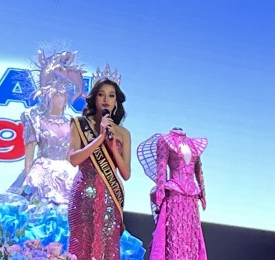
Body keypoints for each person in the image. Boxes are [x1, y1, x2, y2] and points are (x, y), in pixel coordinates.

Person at [0, 48, 85, 249]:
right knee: (34, 214)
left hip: (67, 173)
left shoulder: (72, 121)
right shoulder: (35, 118)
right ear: (48, 95)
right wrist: (26, 175)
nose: (62, 99)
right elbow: (29, 153)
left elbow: (72, 152)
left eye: (64, 95)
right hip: (42, 173)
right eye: (58, 94)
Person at [67, 64, 145, 260]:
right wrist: (99, 139)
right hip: (83, 195)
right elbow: (74, 159)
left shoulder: (123, 133)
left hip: (110, 198)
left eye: (111, 95)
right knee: (81, 246)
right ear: (94, 98)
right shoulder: (79, 124)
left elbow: (126, 174)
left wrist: (112, 149)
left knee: (107, 250)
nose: (106, 99)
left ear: (116, 102)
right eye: (101, 94)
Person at [137, 127, 208, 260]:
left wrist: (203, 193)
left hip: (191, 199)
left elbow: (198, 170)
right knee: (174, 235)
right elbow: (161, 170)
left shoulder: (194, 144)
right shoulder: (165, 140)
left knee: (190, 237)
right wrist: (159, 197)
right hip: (174, 195)